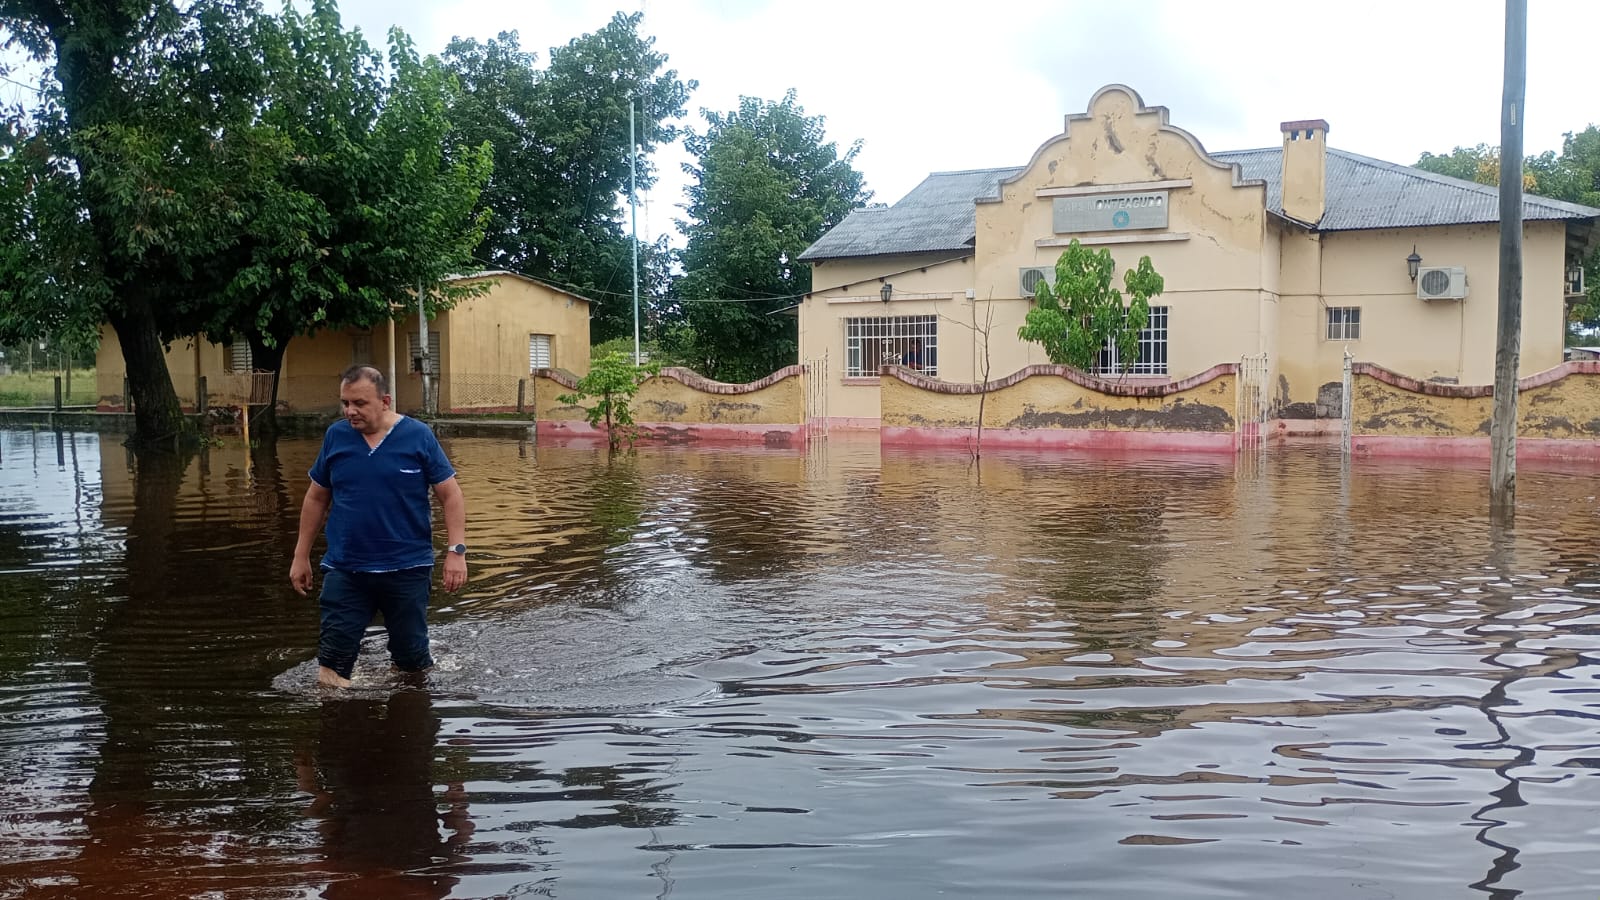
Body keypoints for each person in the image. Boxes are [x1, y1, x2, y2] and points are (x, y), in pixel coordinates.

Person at [290, 365, 467, 688]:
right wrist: (300, 556)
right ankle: (340, 732)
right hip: (346, 568)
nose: (350, 411)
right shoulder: (337, 437)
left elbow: (451, 494)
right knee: (332, 664)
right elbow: (316, 498)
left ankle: (408, 729)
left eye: (359, 403)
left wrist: (456, 552)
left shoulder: (418, 436)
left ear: (385, 401)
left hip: (407, 568)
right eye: (345, 403)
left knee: (411, 663)